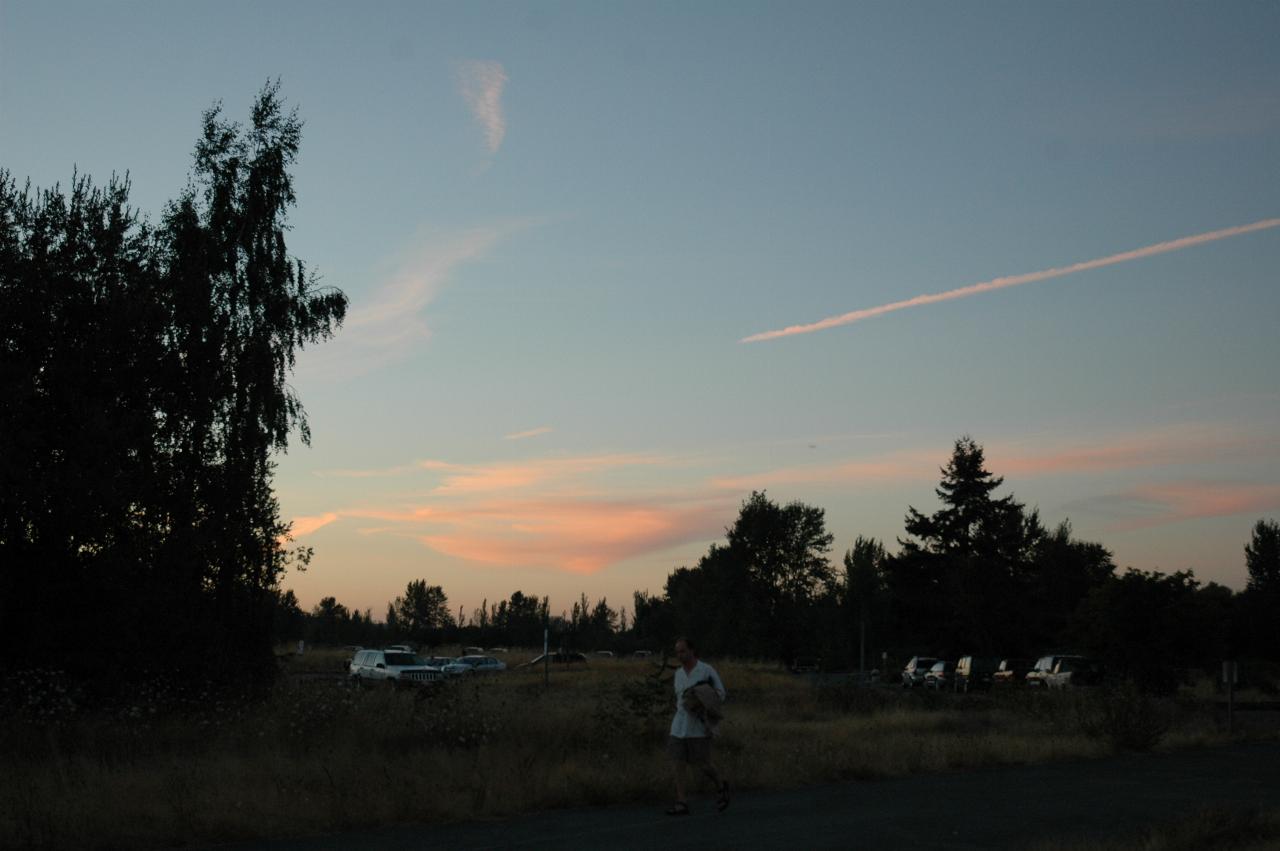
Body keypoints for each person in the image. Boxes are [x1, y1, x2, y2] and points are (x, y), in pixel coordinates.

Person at [665, 636, 730, 815]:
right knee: (678, 762)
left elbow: (720, 694)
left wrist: (702, 700)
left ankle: (720, 785)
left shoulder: (706, 671)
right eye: (677, 652)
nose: (680, 655)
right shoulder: (678, 674)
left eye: (683, 651)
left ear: (692, 651)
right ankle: (681, 801)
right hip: (679, 726)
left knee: (703, 764)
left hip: (698, 727)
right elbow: (678, 699)